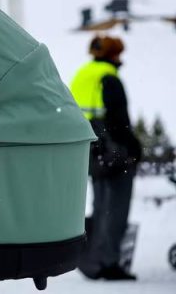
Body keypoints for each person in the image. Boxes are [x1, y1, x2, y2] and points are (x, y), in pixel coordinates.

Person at [70, 35, 142, 281]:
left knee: (102, 207)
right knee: (116, 207)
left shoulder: (83, 74)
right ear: (113, 55)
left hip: (90, 151)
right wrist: (134, 149)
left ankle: (94, 258)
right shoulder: (109, 78)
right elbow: (118, 121)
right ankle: (108, 262)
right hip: (112, 151)